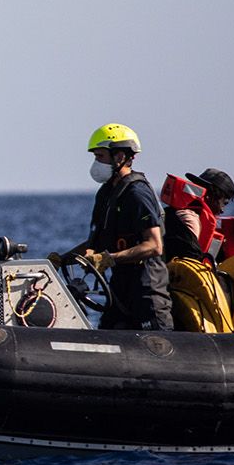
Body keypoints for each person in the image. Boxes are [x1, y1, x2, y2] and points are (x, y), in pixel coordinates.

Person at [56, 123, 171, 330]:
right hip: (118, 290)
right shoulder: (106, 194)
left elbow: (154, 246)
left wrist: (109, 259)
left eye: (100, 156)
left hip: (146, 289)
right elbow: (96, 243)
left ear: (119, 157)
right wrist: (62, 260)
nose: (96, 163)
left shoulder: (137, 194)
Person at [161, 168, 234, 263]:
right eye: (224, 203)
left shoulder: (177, 213)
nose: (222, 210)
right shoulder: (190, 219)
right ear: (210, 196)